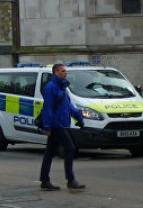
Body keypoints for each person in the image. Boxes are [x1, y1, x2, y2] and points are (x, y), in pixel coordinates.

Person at [39, 63, 86, 191]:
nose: (66, 73)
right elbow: (47, 108)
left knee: (49, 152)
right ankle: (70, 180)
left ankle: (44, 180)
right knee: (70, 149)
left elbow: (69, 106)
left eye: (66, 71)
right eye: (63, 71)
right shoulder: (51, 88)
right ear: (56, 73)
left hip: (62, 124)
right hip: (56, 125)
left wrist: (79, 118)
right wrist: (47, 127)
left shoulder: (62, 88)